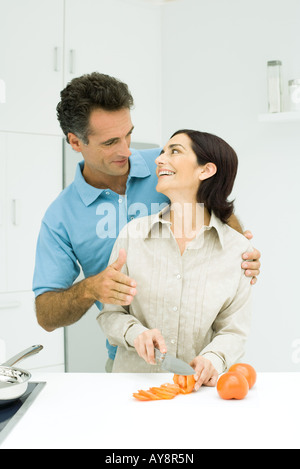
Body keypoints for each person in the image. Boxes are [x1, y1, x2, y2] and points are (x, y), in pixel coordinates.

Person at [33, 72, 261, 368]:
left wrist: (242, 252)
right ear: (76, 142)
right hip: (131, 361)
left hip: (203, 364)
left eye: (129, 134)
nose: (126, 150)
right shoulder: (60, 216)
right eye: (110, 142)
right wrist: (91, 288)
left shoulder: (165, 165)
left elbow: (217, 207)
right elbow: (46, 315)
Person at [97, 129, 253, 389]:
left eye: (175, 151)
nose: (160, 159)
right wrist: (135, 334)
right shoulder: (132, 236)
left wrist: (213, 358)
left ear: (206, 170)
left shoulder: (238, 250)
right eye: (162, 152)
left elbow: (233, 330)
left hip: (198, 394)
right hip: (133, 390)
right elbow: (110, 315)